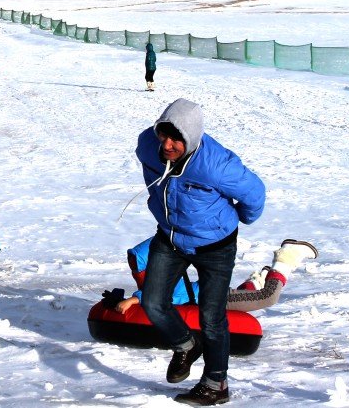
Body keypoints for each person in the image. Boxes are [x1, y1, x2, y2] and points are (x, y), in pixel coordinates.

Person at [135, 98, 266, 405]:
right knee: (153, 303)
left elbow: (255, 193)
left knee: (212, 317)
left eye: (176, 138)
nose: (167, 145)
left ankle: (216, 384)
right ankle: (185, 345)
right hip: (170, 238)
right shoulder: (146, 145)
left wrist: (239, 218)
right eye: (163, 135)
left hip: (215, 246)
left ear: (191, 138)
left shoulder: (216, 165)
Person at [113, 236, 318, 315]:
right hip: (210, 294)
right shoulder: (154, 273)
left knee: (268, 297)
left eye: (136, 266)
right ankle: (257, 280)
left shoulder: (160, 272)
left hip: (214, 297)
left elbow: (166, 293)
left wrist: (134, 299)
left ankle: (288, 255)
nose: (134, 271)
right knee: (246, 297)